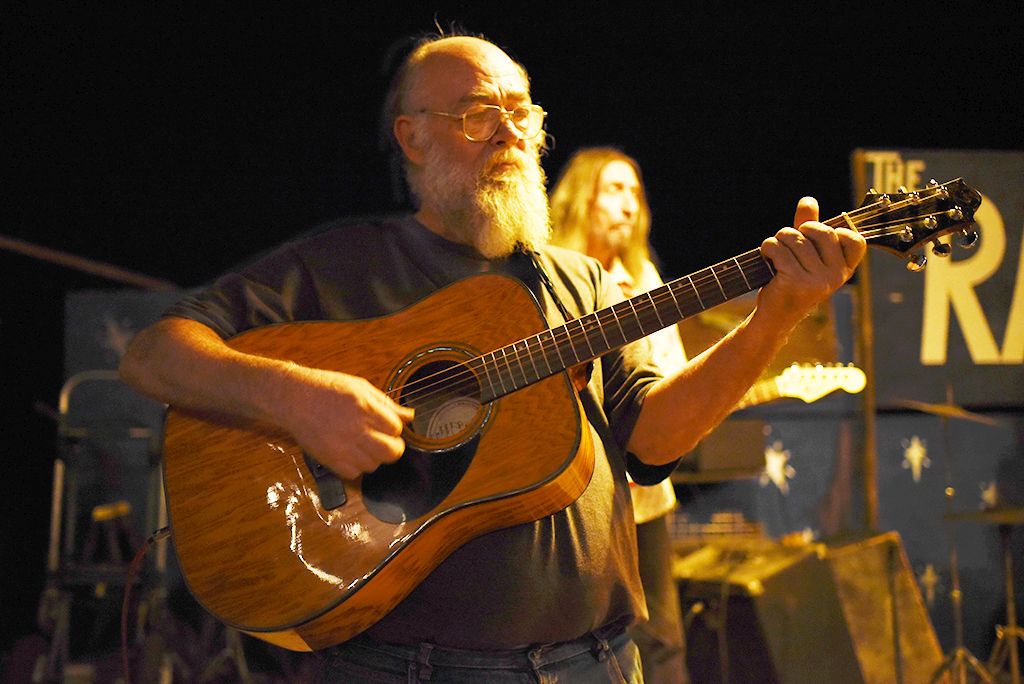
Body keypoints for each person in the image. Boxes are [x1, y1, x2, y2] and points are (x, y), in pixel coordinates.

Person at [119, 32, 866, 683]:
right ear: (412, 138)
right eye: (481, 114)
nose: (512, 132)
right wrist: (297, 400)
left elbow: (653, 438)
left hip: (597, 664)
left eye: (523, 111)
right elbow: (155, 356)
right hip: (403, 671)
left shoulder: (582, 281)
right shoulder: (341, 264)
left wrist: (779, 314)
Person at [550, 147, 689, 683]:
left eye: (635, 192)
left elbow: (670, 373)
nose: (628, 204)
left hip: (645, 500)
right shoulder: (549, 273)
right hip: (569, 493)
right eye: (613, 189)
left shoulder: (646, 278)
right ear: (583, 197)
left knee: (663, 639)